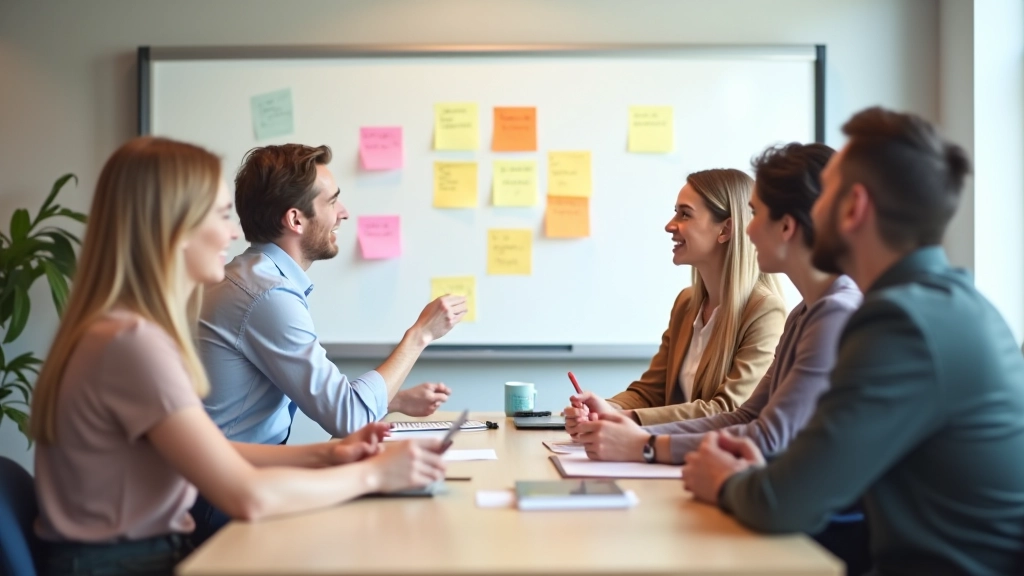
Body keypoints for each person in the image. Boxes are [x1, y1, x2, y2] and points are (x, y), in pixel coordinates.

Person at [30, 137, 446, 576]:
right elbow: (248, 496)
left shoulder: (119, 329)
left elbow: (217, 451)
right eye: (220, 215)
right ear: (172, 225)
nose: (233, 232)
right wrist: (375, 475)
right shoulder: (134, 343)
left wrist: (328, 456)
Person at [682, 107, 1024, 576]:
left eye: (826, 193)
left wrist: (723, 483)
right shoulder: (950, 304)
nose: (811, 208)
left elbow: (784, 502)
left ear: (853, 207)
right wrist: (760, 472)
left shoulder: (901, 325)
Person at [572, 143, 861, 465]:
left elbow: (766, 433)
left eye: (757, 215)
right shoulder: (803, 313)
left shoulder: (832, 312)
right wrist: (619, 419)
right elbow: (746, 416)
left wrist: (644, 443)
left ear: (787, 226)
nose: (748, 229)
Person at [199, 143, 466, 447]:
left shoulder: (251, 277)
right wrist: (421, 334)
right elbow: (348, 419)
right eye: (332, 202)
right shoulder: (268, 296)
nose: (343, 213)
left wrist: (393, 401)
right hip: (225, 488)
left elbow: (332, 402)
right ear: (295, 220)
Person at [565, 169, 786, 427]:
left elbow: (728, 409)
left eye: (685, 214)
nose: (670, 225)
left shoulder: (765, 311)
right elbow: (650, 393)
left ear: (725, 229)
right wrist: (604, 409)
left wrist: (624, 419)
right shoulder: (686, 304)